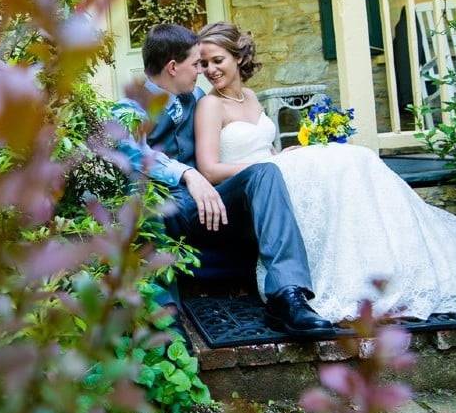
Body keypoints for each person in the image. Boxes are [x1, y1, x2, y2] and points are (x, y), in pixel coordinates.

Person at [191, 21, 456, 322]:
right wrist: (271, 164)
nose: (210, 70)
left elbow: (262, 148)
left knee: (355, 158)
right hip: (247, 190)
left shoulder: (249, 97)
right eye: (204, 63)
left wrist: (284, 154)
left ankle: (388, 268)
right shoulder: (210, 104)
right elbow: (210, 169)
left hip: (272, 174)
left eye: (217, 60)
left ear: (238, 57)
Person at [112, 24, 332, 335]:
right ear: (173, 67)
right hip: (171, 208)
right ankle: (164, 324)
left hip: (211, 205)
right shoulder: (130, 107)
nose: (201, 72)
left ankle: (287, 296)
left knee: (265, 171)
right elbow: (128, 148)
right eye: (196, 64)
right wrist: (187, 173)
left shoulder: (197, 97)